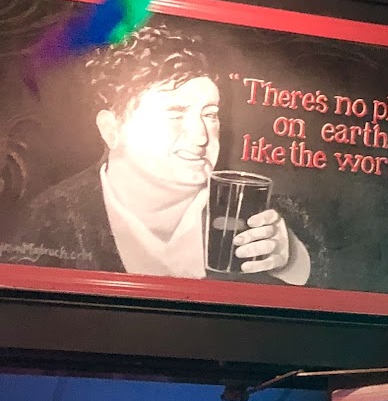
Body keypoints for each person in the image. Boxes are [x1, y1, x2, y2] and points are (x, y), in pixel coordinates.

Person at [9, 24, 312, 283]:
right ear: (112, 129)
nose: (201, 136)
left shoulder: (260, 212)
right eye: (174, 113)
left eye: (210, 114)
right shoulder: (50, 222)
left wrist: (292, 260)